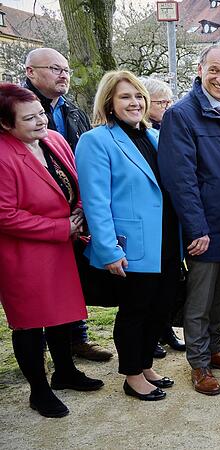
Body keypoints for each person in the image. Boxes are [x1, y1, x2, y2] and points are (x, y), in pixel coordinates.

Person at [0, 83, 104, 418]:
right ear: (6, 124)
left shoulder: (55, 140)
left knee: (62, 314)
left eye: (41, 113)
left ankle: (65, 372)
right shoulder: (2, 155)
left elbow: (79, 181)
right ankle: (39, 391)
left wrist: (82, 211)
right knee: (30, 324)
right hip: (24, 254)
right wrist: (61, 228)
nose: (40, 121)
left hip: (64, 247)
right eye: (29, 118)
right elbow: (4, 214)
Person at [76, 71, 179, 401]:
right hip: (130, 243)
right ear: (108, 102)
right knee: (136, 309)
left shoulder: (154, 136)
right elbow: (95, 200)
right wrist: (107, 249)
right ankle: (132, 374)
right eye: (125, 97)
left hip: (164, 238)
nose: (134, 102)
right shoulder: (96, 141)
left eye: (137, 96)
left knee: (160, 306)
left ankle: (146, 364)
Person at [158, 44, 220, 396]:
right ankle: (199, 363)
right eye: (214, 70)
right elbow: (180, 179)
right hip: (206, 229)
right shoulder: (181, 114)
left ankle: (215, 348)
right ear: (199, 70)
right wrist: (196, 228)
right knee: (199, 301)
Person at [23, 47, 112, 362]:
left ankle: (76, 339)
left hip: (72, 211)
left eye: (66, 69)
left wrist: (83, 204)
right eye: (54, 68)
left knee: (72, 279)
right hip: (36, 217)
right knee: (43, 292)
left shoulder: (71, 110)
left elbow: (82, 159)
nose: (63, 74)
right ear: (31, 72)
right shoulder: (14, 108)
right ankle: (48, 351)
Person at [139, 77, 185, 358]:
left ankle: (165, 328)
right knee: (147, 288)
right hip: (147, 222)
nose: (167, 107)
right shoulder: (143, 134)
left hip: (170, 219)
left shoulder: (163, 130)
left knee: (170, 281)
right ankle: (150, 336)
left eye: (169, 101)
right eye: (161, 102)